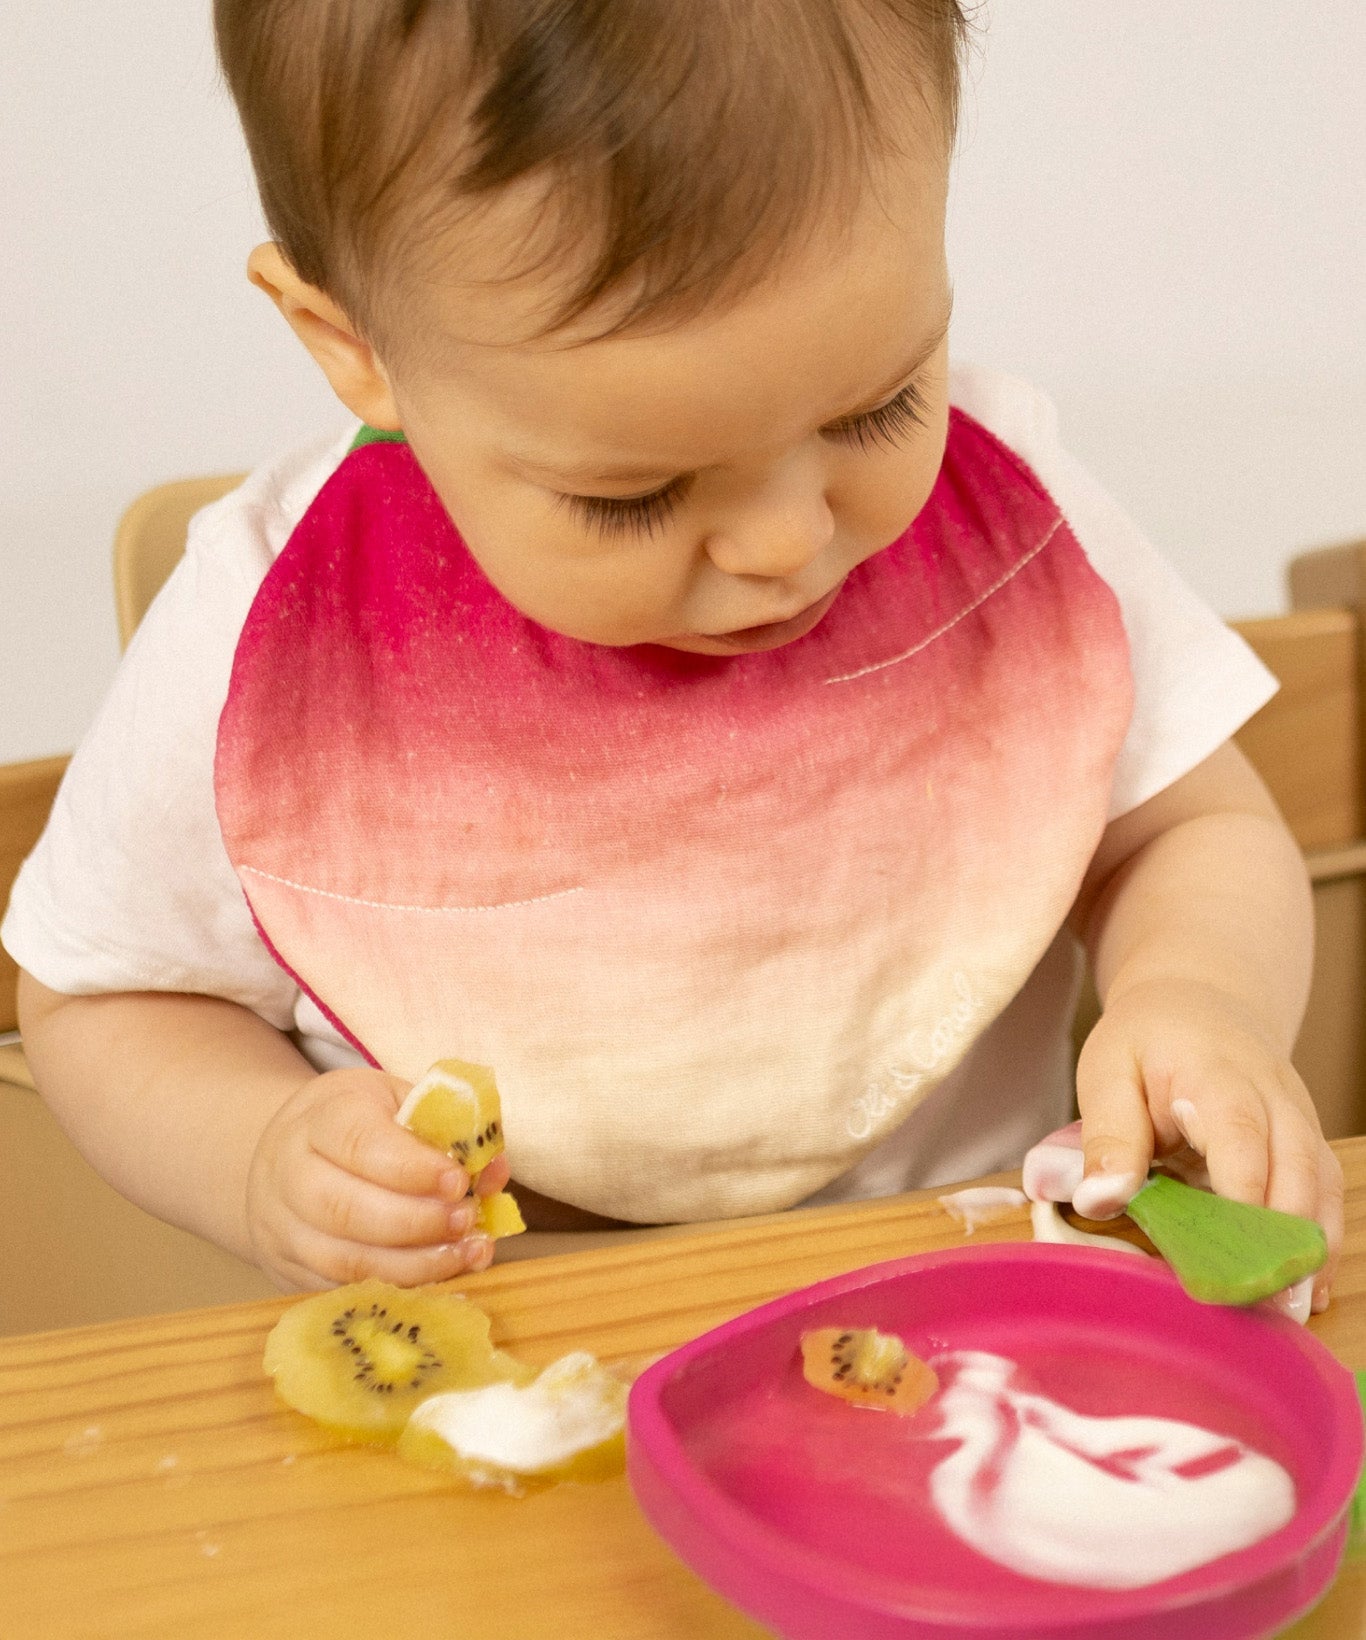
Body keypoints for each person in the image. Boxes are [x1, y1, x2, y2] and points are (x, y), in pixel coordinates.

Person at [5, 0, 1341, 1304]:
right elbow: (103, 1000)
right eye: (634, 495)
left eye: (876, 409)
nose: (783, 539)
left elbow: (1186, 832)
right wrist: (254, 1155)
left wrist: (1195, 996)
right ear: (356, 348)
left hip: (977, 1297)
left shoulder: (1011, 520)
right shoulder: (266, 634)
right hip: (515, 1358)